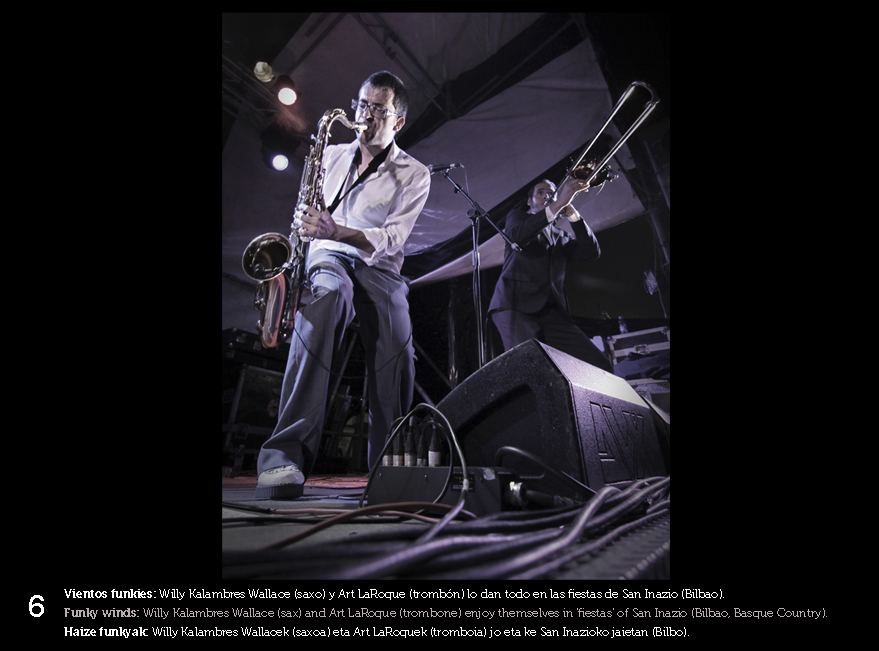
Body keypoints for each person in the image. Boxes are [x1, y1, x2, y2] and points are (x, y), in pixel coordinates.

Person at [256, 71, 431, 499]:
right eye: (361, 104)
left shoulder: (415, 173)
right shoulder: (330, 154)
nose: (365, 114)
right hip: (328, 256)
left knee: (398, 347)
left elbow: (392, 239)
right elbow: (310, 215)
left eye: (377, 109)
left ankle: (388, 465)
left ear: (398, 121)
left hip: (380, 266)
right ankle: (282, 458)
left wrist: (338, 230)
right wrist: (306, 232)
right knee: (327, 301)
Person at [488, 175, 614, 373]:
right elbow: (517, 236)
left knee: (599, 364)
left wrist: (573, 215)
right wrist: (557, 204)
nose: (547, 196)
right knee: (528, 367)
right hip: (516, 305)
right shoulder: (517, 218)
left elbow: (591, 251)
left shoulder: (561, 236)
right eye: (540, 193)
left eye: (551, 193)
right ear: (529, 201)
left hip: (552, 313)